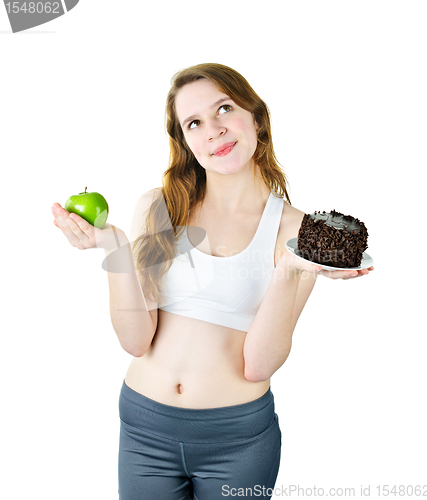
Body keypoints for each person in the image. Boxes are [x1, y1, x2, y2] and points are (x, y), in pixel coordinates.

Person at [51, 63, 373, 500]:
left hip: (237, 443)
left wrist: (290, 269)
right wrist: (115, 248)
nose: (214, 130)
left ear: (255, 116)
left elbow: (258, 365)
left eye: (224, 108)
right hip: (144, 430)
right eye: (195, 123)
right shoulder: (158, 207)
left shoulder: (300, 233)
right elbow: (135, 340)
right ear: (186, 141)